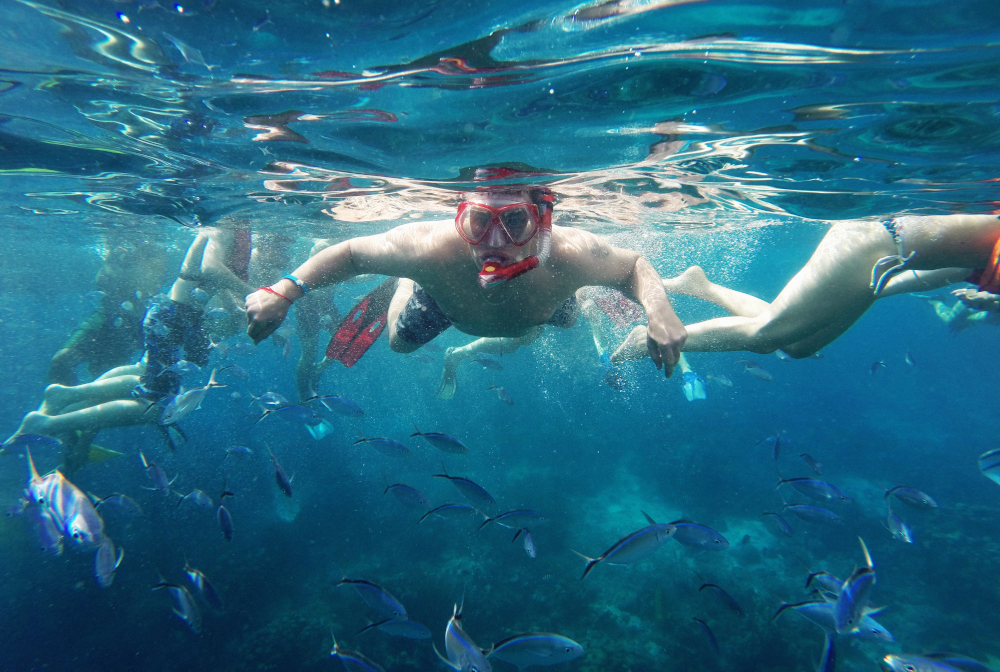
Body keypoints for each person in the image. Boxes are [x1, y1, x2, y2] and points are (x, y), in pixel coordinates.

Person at [245, 185, 687, 378]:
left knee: (569, 321)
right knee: (399, 343)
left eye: (515, 221)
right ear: (459, 217)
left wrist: (659, 309)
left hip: (544, 303)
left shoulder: (571, 253)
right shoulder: (429, 248)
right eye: (478, 222)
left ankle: (582, 293)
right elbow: (351, 253)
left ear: (543, 222)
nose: (494, 242)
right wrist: (284, 290)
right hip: (447, 301)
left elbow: (634, 266)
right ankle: (404, 284)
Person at [8, 220, 291, 441]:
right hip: (174, 316)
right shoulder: (226, 223)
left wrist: (245, 311)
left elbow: (213, 281)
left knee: (148, 375)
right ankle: (47, 424)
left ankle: (65, 396)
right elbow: (211, 268)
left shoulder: (236, 227)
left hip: (181, 316)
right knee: (157, 406)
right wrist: (262, 296)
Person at [609, 214, 1000, 361]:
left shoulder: (981, 257)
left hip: (884, 259)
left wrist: (866, 290)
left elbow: (916, 277)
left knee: (799, 344)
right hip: (875, 238)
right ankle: (646, 340)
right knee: (766, 336)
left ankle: (702, 286)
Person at [48, 234, 169, 385]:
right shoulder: (114, 258)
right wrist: (111, 261)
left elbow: (152, 287)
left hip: (138, 323)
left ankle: (89, 402)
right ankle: (63, 403)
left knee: (106, 378)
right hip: (105, 317)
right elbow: (100, 286)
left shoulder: (154, 259)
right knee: (61, 360)